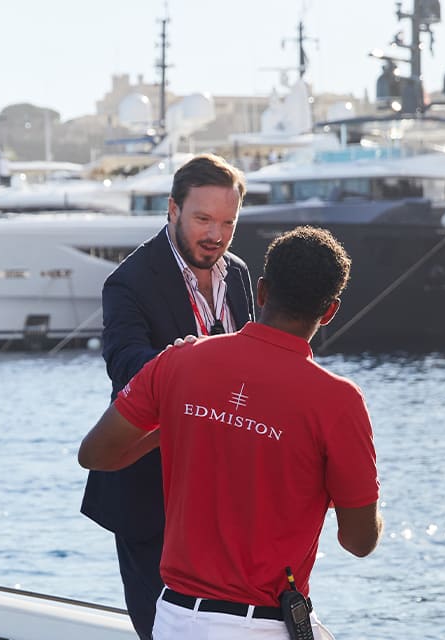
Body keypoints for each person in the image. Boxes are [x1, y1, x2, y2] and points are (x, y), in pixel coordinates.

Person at [78, 226, 383, 640]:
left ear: (260, 291)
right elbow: (359, 541)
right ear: (330, 311)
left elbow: (95, 454)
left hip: (172, 618)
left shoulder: (179, 361)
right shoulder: (339, 401)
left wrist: (177, 425)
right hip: (262, 625)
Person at [80, 153, 256, 640]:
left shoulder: (237, 272)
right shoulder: (127, 282)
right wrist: (185, 364)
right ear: (173, 210)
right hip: (149, 498)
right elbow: (125, 367)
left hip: (223, 499)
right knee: (161, 631)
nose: (216, 235)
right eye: (203, 219)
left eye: (228, 222)